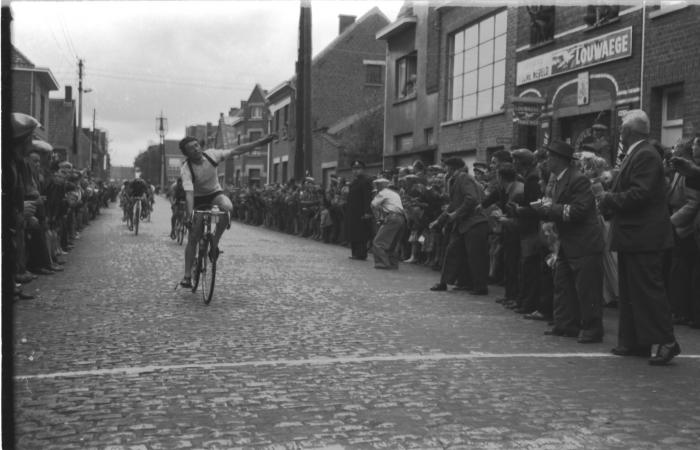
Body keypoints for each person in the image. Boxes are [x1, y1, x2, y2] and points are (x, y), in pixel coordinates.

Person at [598, 109, 680, 365]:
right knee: (632, 291)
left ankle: (667, 341)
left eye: (622, 128)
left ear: (629, 132)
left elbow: (640, 194)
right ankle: (635, 341)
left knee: (647, 290)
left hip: (644, 236)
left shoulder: (644, 155)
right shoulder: (639, 154)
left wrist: (608, 198)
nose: (619, 133)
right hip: (635, 236)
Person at [179, 133, 276, 288]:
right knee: (193, 237)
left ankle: (214, 243)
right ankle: (187, 276)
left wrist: (260, 141)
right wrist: (190, 215)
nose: (196, 150)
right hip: (197, 198)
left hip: (214, 194)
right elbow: (189, 194)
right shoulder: (186, 169)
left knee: (228, 208)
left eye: (197, 145)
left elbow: (237, 150)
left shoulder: (212, 155)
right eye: (191, 149)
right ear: (187, 154)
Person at [532, 141, 605, 343]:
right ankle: (565, 324)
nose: (546, 161)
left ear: (559, 159)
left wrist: (549, 210)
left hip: (584, 242)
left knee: (587, 288)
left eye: (549, 157)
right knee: (563, 284)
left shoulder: (578, 180)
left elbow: (580, 210)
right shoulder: (559, 178)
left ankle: (592, 329)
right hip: (568, 241)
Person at [430, 157, 489, 295]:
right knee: (453, 252)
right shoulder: (455, 180)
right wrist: (439, 221)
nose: (444, 170)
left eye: (446, 167)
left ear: (452, 168)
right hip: (464, 224)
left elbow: (471, 199)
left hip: (475, 223)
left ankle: (480, 287)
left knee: (476, 257)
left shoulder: (464, 178)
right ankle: (450, 282)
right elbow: (453, 205)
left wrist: (456, 214)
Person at [370, 178, 406, 270]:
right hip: (402, 218)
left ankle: (383, 263)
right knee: (393, 243)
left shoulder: (382, 193)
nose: (376, 187)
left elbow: (373, 205)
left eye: (377, 185)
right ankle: (393, 264)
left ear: (381, 185)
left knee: (378, 242)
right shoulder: (394, 194)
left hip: (392, 217)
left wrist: (378, 218)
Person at [345, 160, 374, 260]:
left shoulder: (366, 181)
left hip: (361, 211)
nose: (355, 171)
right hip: (353, 212)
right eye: (354, 169)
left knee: (361, 233)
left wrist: (367, 212)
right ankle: (355, 253)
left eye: (358, 169)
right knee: (353, 232)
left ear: (363, 169)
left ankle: (361, 253)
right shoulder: (354, 182)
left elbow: (367, 198)